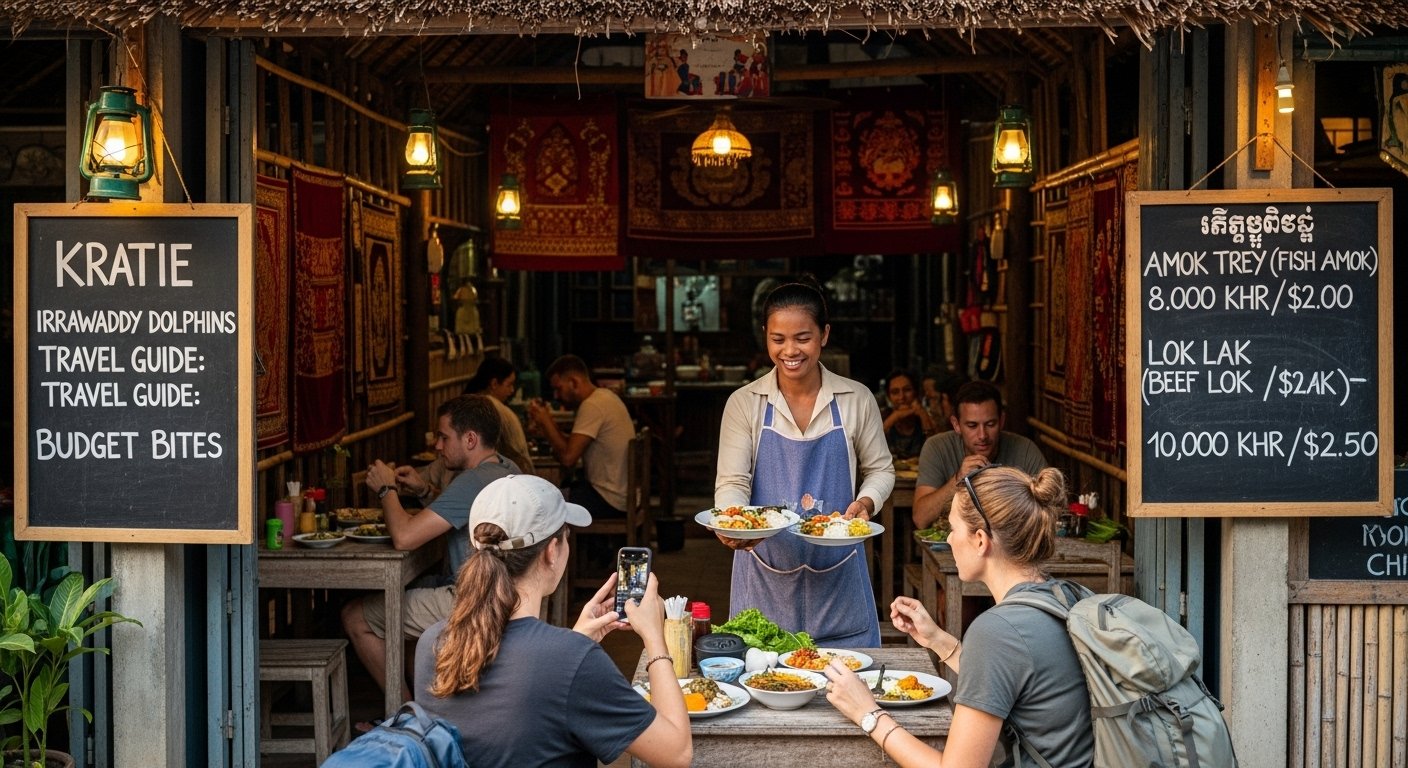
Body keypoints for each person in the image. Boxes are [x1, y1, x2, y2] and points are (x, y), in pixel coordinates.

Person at [821, 465, 1094, 767]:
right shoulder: (1067, 596)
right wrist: (938, 640)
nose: (949, 540)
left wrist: (867, 714)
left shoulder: (997, 631)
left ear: (980, 540)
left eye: (952, 529)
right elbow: (1017, 680)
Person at [413, 474, 692, 768]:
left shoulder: (431, 643)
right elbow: (676, 754)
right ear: (551, 552)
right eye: (567, 537)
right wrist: (653, 636)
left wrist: (576, 642)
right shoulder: (570, 659)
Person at [715, 279, 894, 647]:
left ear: (824, 335)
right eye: (778, 339)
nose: (790, 350)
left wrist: (866, 502)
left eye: (803, 337)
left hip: (838, 577)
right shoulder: (744, 403)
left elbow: (880, 469)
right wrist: (732, 519)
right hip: (764, 572)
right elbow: (732, 480)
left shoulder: (855, 398)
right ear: (765, 336)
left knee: (848, 691)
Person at [343, 394, 519, 702]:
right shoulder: (506, 468)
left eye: (443, 437)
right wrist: (425, 490)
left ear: (470, 439)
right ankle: (425, 706)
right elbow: (463, 513)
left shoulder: (472, 481)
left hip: (471, 599)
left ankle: (404, 712)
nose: (437, 446)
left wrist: (387, 489)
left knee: (354, 615)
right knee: (415, 590)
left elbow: (405, 537)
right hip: (500, 592)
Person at [911, 380, 1047, 530]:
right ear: (956, 425)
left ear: (1001, 421)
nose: (982, 435)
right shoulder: (936, 447)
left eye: (990, 424)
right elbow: (920, 518)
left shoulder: (1025, 450)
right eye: (972, 426)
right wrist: (958, 479)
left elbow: (1051, 511)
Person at [526, 354, 634, 520]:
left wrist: (545, 421)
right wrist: (547, 426)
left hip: (607, 499)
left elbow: (568, 458)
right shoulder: (604, 396)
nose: (556, 396)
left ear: (574, 382)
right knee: (556, 492)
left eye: (558, 388)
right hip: (620, 496)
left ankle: (560, 546)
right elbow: (572, 445)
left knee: (539, 503)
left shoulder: (593, 405)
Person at [881, 369, 938, 459]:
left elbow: (936, 452)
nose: (902, 397)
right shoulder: (881, 418)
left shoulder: (929, 416)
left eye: (907, 390)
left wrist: (923, 415)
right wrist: (894, 417)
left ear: (915, 392)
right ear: (889, 397)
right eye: (895, 392)